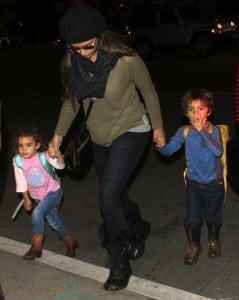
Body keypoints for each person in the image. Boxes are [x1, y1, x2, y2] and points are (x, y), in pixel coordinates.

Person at [48, 3, 165, 291]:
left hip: (131, 128)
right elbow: (71, 102)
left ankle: (119, 256)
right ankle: (136, 225)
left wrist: (159, 126)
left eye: (88, 46)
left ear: (100, 36)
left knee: (107, 197)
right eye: (76, 49)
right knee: (117, 193)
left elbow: (148, 89)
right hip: (99, 136)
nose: (83, 53)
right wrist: (58, 136)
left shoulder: (125, 59)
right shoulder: (74, 62)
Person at [156, 89, 224, 265]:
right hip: (193, 184)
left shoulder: (213, 131)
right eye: (191, 109)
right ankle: (195, 246)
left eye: (200, 108)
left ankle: (213, 240)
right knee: (192, 219)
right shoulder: (184, 132)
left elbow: (217, 151)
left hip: (214, 184)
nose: (195, 113)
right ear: (186, 113)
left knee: (213, 216)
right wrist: (161, 146)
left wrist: (203, 132)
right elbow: (170, 150)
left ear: (208, 111)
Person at [12, 127, 78, 260]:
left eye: (29, 145)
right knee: (54, 223)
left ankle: (36, 246)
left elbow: (60, 166)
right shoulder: (18, 161)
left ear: (37, 145)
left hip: (53, 192)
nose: (24, 149)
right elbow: (21, 181)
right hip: (37, 198)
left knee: (38, 214)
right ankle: (71, 242)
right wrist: (26, 199)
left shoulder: (44, 156)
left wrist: (58, 155)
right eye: (21, 146)